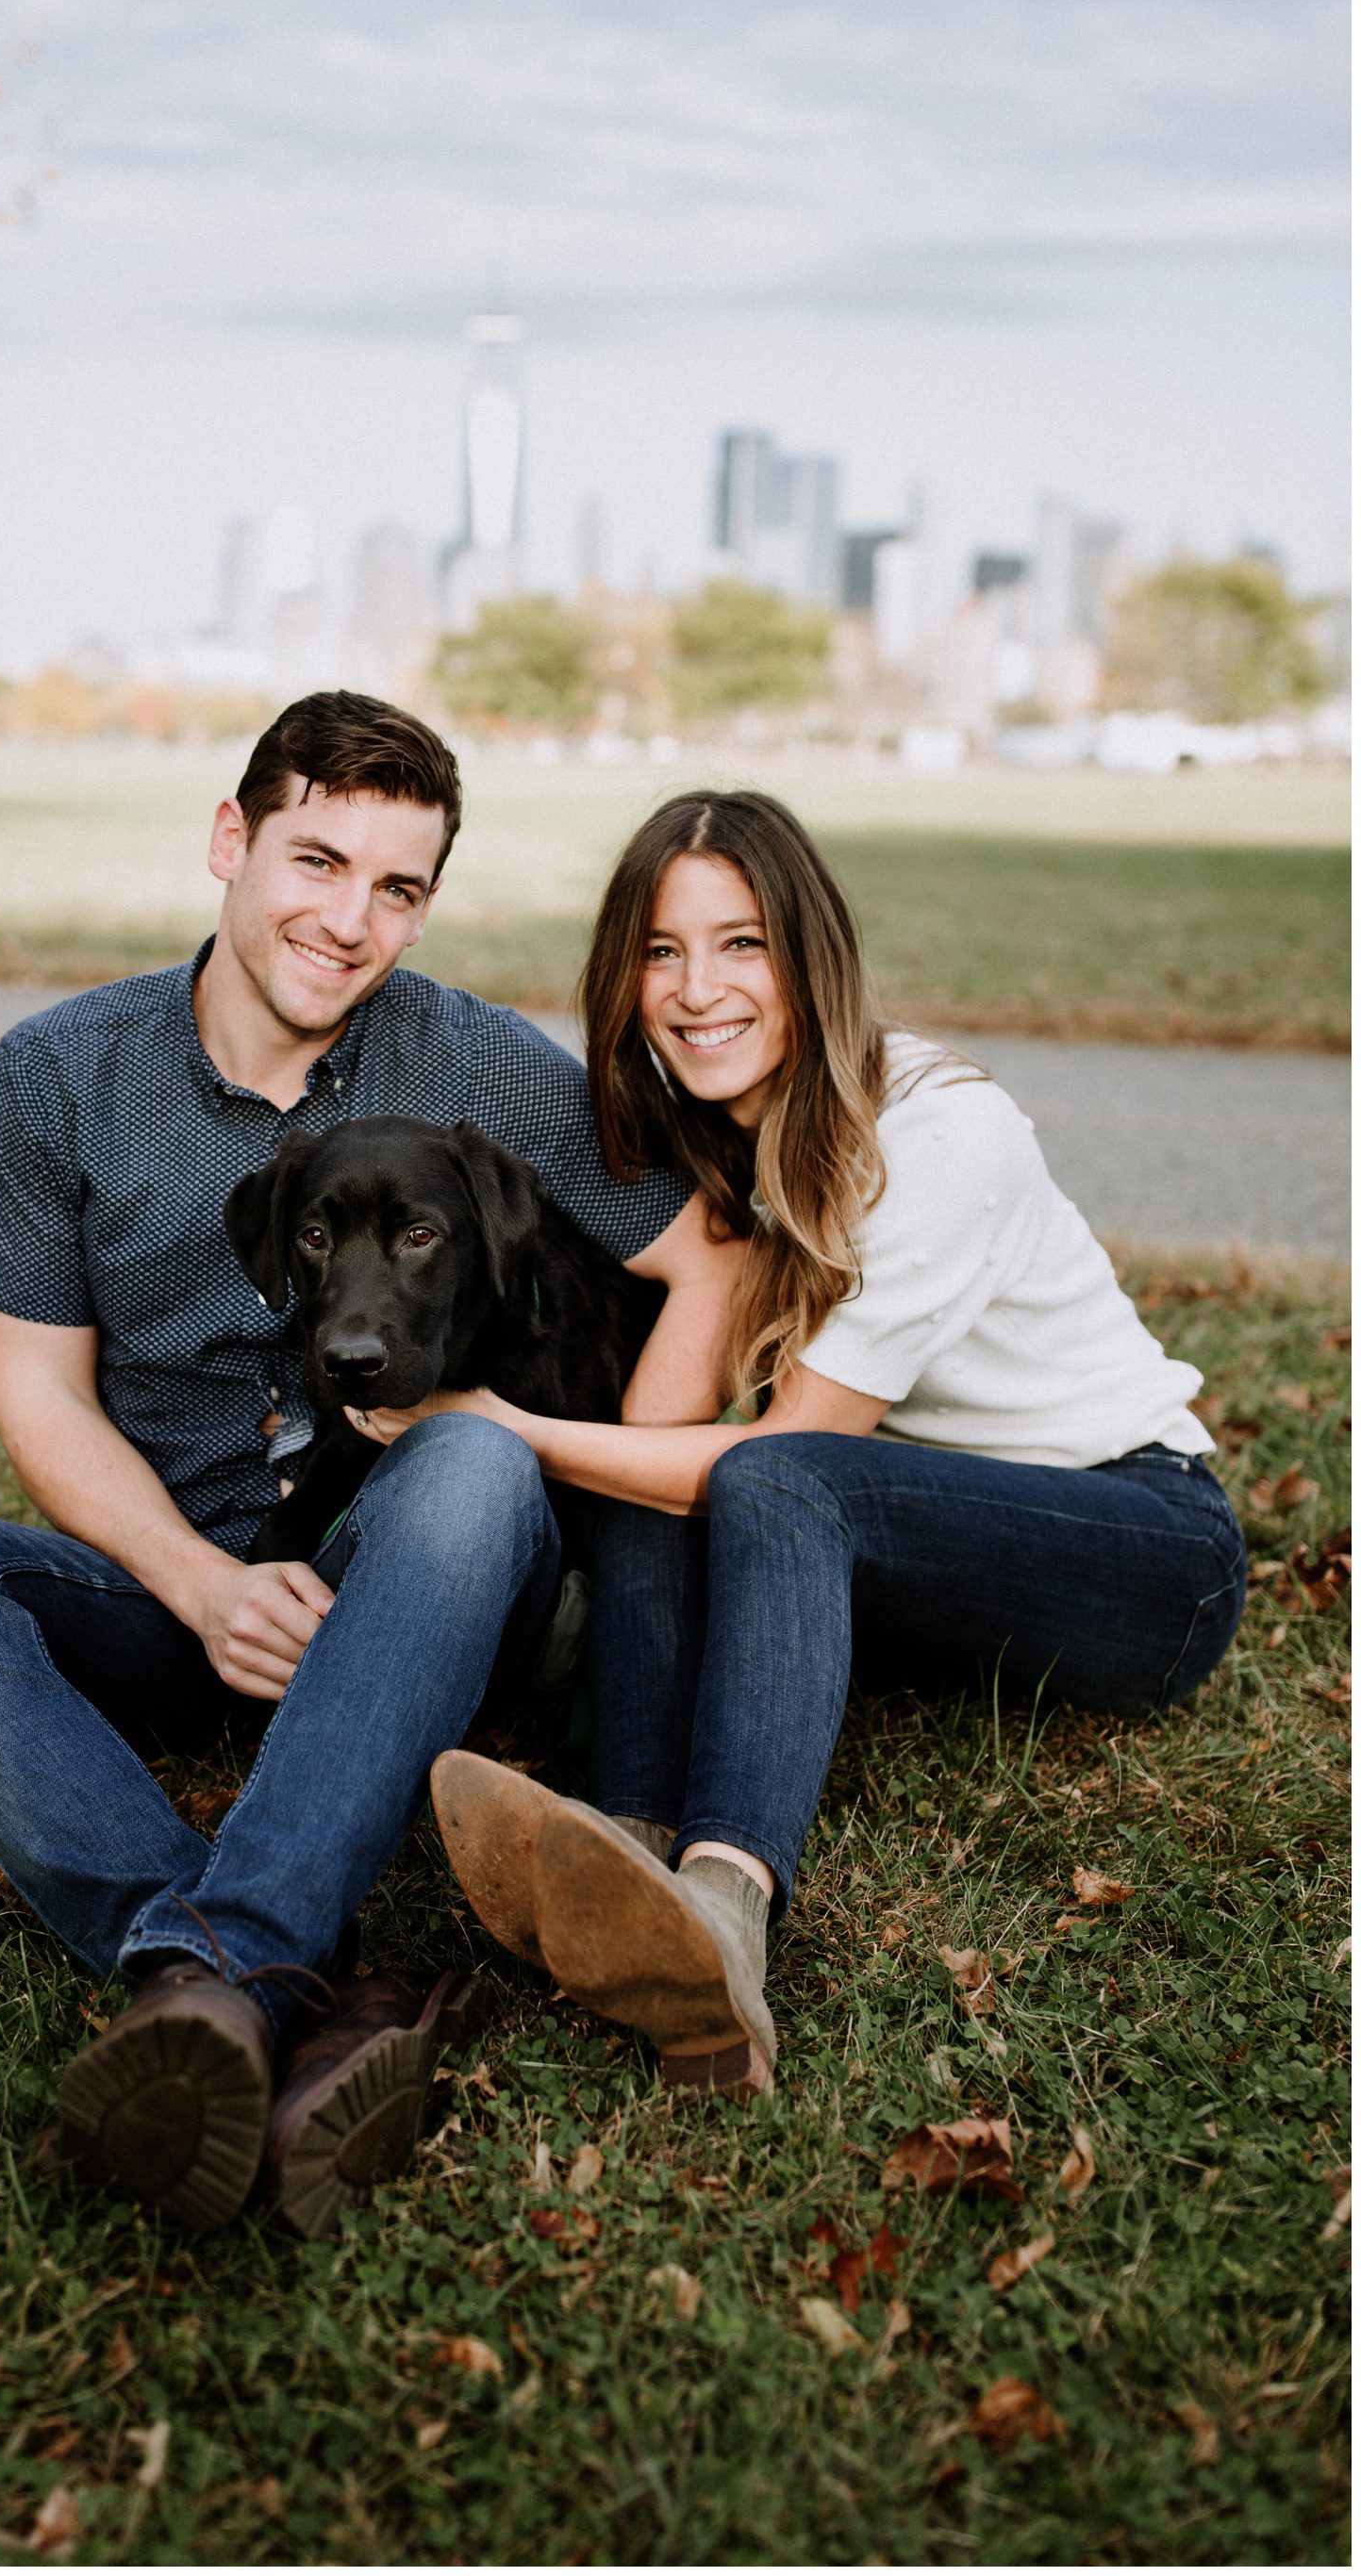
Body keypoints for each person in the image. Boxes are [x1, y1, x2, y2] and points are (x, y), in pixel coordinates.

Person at [0, 692, 709, 2237]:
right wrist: (200, 1584)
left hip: (405, 1581)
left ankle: (223, 1965)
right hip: (173, 1583)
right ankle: (265, 1975)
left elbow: (712, 1257)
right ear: (231, 840)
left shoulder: (477, 1062)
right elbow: (42, 1397)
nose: (350, 920)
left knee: (476, 1472)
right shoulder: (59, 1071)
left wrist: (619, 1496)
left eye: (398, 887)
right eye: (317, 859)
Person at [353, 790, 1248, 2100]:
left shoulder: (940, 1135)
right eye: (661, 951)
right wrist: (703, 1276)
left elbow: (792, 1454)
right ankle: (631, 1831)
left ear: (809, 954)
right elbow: (654, 1449)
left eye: (742, 943)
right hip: (925, 1542)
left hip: (1136, 1548)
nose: (696, 988)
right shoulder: (726, 1137)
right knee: (676, 1471)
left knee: (765, 1473)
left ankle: (723, 1901)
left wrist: (506, 1428)